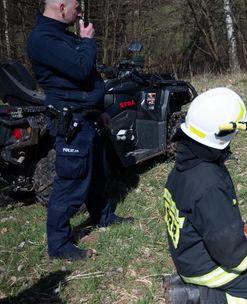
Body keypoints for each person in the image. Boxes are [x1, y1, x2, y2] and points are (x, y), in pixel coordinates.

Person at [27, 0, 132, 261]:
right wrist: (87, 41)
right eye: (76, 6)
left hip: (88, 117)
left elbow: (83, 80)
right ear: (61, 7)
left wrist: (99, 111)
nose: (80, 12)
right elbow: (81, 67)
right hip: (71, 120)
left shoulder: (61, 35)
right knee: (71, 180)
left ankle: (103, 216)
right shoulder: (43, 39)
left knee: (98, 171)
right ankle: (59, 245)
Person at [163, 88, 247, 303]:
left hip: (188, 258)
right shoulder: (209, 183)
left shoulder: (183, 168)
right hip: (206, 270)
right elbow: (232, 254)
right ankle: (199, 297)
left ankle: (186, 286)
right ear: (224, 133)